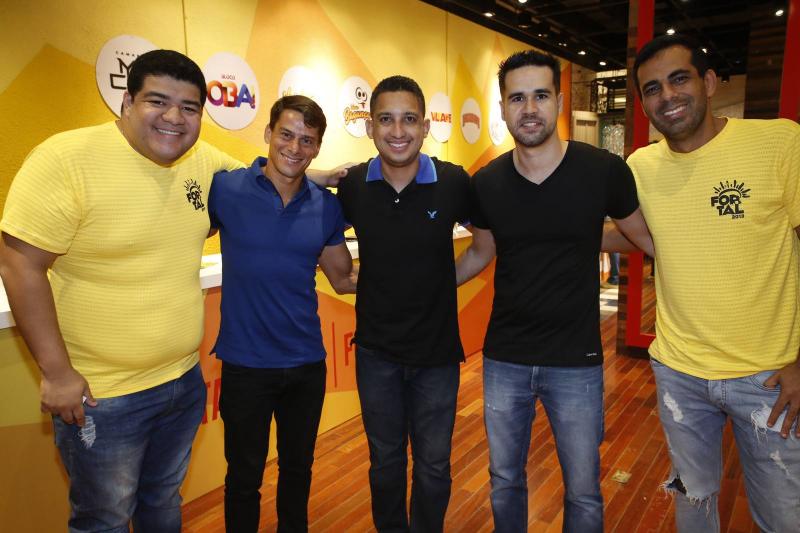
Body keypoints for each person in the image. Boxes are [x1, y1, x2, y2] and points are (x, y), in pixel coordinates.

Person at [0, 50, 242, 531]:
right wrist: (57, 373)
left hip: (182, 382)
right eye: (158, 101)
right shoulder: (65, 158)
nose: (174, 117)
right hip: (102, 397)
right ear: (127, 102)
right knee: (104, 520)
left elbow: (265, 177)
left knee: (163, 502)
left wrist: (322, 176)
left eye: (189, 107)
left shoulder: (202, 159)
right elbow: (19, 263)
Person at [455, 50, 654, 533]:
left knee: (583, 490)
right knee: (504, 480)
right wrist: (421, 285)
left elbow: (645, 239)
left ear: (559, 102)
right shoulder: (486, 183)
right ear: (503, 108)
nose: (529, 109)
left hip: (576, 361)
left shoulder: (602, 170)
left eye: (540, 96)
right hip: (505, 358)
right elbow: (481, 253)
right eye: (517, 98)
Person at [626, 34, 800, 532]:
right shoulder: (640, 166)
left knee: (784, 517)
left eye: (678, 79)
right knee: (693, 505)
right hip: (679, 371)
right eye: (652, 88)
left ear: (708, 82)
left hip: (769, 377)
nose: (667, 96)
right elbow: (642, 234)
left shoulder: (779, 142)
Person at [208, 95, 356, 533]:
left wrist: (412, 279)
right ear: (268, 134)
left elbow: (343, 278)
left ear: (317, 147)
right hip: (245, 366)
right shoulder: (227, 190)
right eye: (286, 135)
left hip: (306, 364)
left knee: (297, 470)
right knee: (243, 478)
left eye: (306, 140)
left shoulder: (325, 206)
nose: (294, 147)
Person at [336, 75, 471, 532]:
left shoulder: (452, 181)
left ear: (425, 126)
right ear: (370, 127)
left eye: (409, 119)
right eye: (386, 119)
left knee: (433, 465)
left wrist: (443, 282)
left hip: (437, 356)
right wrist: (344, 277)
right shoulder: (354, 185)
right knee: (385, 462)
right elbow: (323, 233)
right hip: (376, 354)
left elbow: (486, 243)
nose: (398, 131)